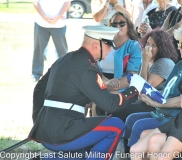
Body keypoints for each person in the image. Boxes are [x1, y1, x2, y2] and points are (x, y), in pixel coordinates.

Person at [28, 25, 147, 158]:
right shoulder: (87, 68)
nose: (110, 50)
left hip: (45, 129)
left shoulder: (64, 59)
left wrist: (39, 117)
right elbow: (110, 105)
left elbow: (39, 89)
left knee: (82, 153)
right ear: (96, 45)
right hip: (62, 131)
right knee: (116, 125)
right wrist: (135, 88)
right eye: (108, 45)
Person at [123, 23, 182, 150]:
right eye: (178, 43)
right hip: (161, 112)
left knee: (139, 125)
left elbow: (181, 101)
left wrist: (156, 104)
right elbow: (167, 90)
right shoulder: (181, 64)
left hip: (175, 118)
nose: (178, 47)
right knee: (131, 119)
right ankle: (128, 153)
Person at [110, 28, 178, 121]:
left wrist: (145, 60)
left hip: (155, 105)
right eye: (148, 43)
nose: (148, 48)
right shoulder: (149, 60)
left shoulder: (165, 62)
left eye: (154, 45)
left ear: (162, 47)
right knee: (112, 104)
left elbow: (145, 87)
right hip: (143, 100)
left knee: (118, 111)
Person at [31, 0, 71, 81]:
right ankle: (36, 74)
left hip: (59, 24)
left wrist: (59, 16)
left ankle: (64, 75)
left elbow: (67, 3)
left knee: (62, 51)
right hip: (41, 23)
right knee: (38, 50)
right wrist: (44, 17)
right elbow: (35, 2)